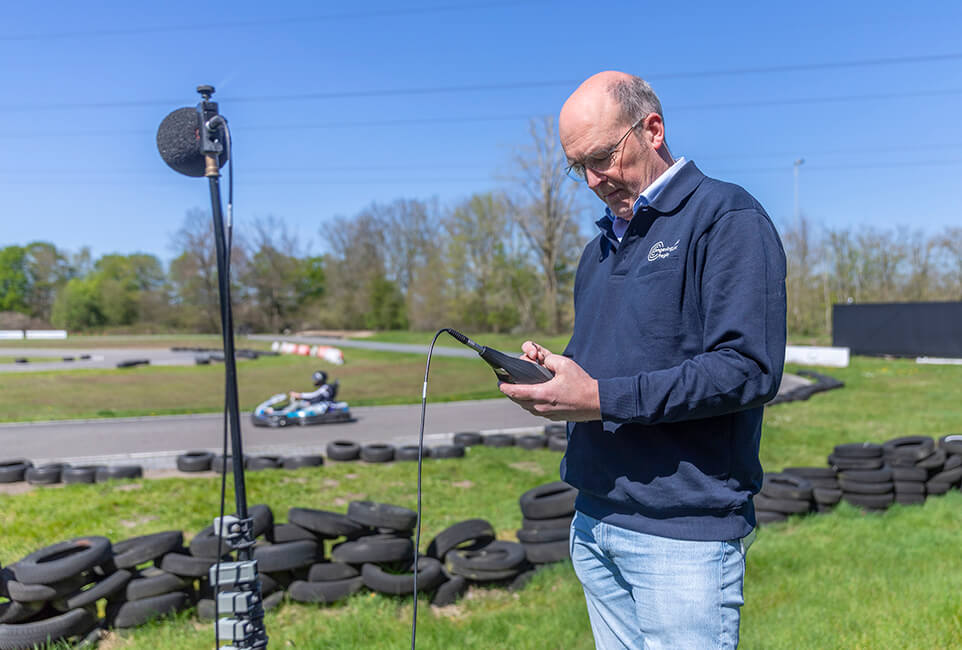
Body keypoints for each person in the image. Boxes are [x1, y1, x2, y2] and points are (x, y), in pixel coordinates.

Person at [499, 70, 787, 649]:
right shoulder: (596, 251)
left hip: (681, 535)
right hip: (596, 520)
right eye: (577, 166)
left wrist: (599, 398)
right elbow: (607, 368)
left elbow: (748, 368)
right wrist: (560, 378)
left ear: (652, 129)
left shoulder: (725, 217)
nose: (592, 180)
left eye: (603, 157)